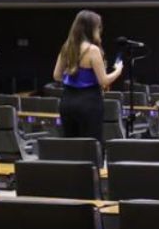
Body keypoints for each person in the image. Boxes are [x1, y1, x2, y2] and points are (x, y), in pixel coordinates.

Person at [52, 9, 122, 142]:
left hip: (67, 101)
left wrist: (74, 79)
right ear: (92, 28)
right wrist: (118, 70)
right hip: (89, 102)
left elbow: (56, 76)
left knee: (71, 145)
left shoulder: (67, 47)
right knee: (91, 146)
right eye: (98, 26)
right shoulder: (92, 50)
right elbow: (104, 81)